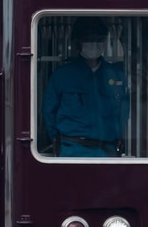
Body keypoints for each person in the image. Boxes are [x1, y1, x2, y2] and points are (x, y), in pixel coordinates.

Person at [42, 17, 128, 156]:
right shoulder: (62, 76)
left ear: (105, 40)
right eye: (88, 39)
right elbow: (49, 112)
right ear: (77, 42)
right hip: (72, 150)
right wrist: (58, 141)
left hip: (108, 151)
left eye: (99, 39)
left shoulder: (116, 75)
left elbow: (123, 113)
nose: (94, 44)